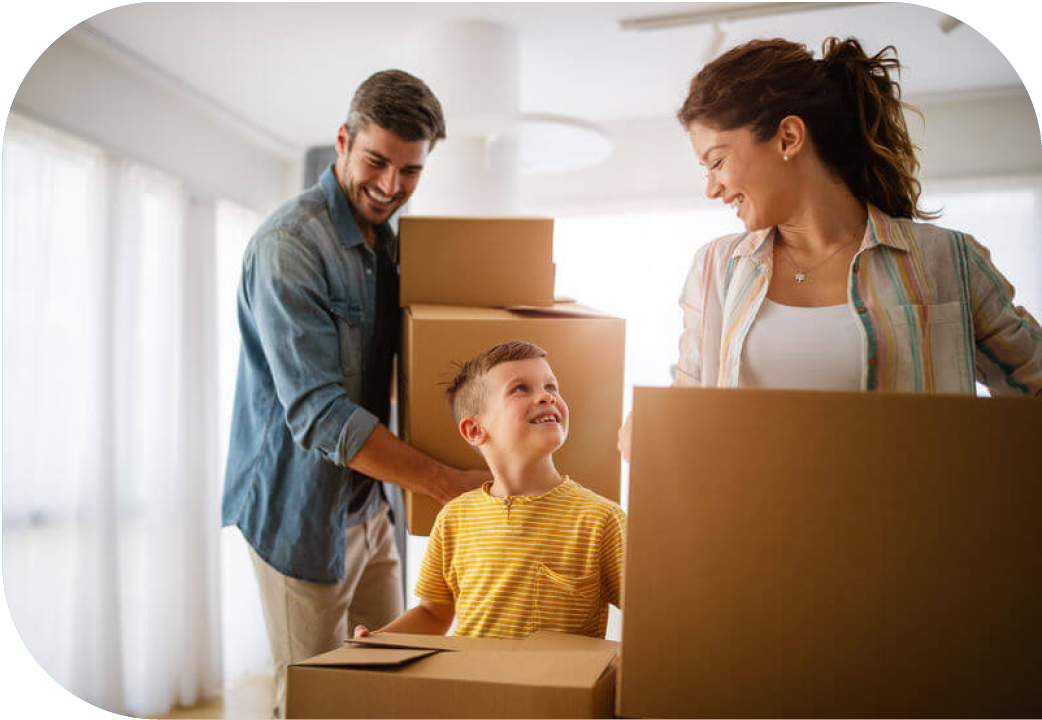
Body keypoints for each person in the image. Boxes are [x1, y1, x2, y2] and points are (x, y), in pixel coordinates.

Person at [619, 36, 1042, 460]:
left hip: (909, 526)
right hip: (752, 524)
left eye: (716, 162)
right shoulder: (716, 268)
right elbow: (689, 403)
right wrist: (648, 431)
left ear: (788, 137)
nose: (713, 188)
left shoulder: (945, 262)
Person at [221, 69, 487, 716]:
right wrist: (446, 485)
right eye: (376, 161)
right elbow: (320, 416)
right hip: (300, 516)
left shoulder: (392, 247)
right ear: (343, 140)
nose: (391, 186)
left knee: (388, 681)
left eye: (411, 171)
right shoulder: (290, 246)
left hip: (372, 510)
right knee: (318, 699)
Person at [354, 340, 626, 640]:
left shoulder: (602, 519)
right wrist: (377, 641)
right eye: (520, 388)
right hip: (472, 686)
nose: (546, 397)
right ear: (475, 431)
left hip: (562, 687)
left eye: (551, 386)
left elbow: (649, 611)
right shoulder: (453, 519)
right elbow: (433, 614)